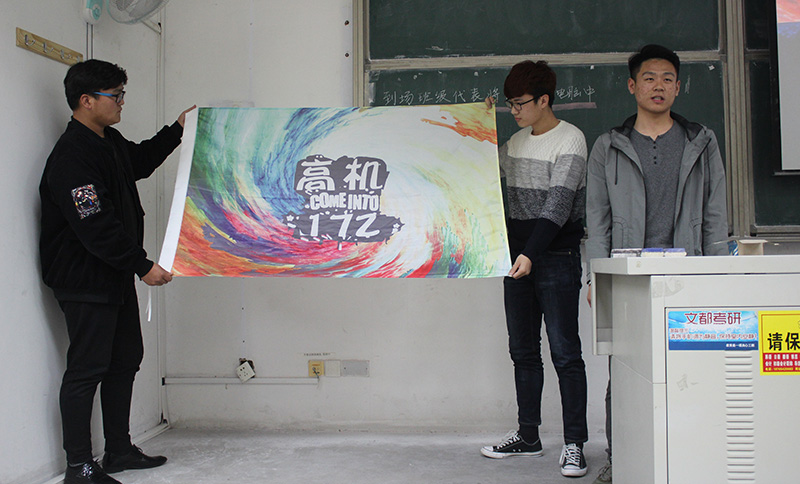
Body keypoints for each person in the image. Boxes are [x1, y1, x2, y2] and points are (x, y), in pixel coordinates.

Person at [39, 59, 195, 484]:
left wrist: (179, 129)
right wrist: (142, 265)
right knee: (86, 368)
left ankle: (119, 450)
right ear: (86, 101)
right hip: (84, 280)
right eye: (116, 95)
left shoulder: (108, 140)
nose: (122, 102)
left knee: (125, 359)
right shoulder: (72, 156)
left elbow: (139, 161)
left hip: (113, 275)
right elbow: (95, 226)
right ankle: (78, 465)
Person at [585, 44, 728, 484]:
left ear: (678, 87)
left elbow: (715, 212)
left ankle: (690, 457)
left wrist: (717, 272)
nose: (658, 86)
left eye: (667, 78)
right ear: (632, 86)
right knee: (626, 373)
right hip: (629, 280)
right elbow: (597, 219)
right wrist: (596, 277)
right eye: (649, 78)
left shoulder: (701, 142)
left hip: (687, 276)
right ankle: (621, 459)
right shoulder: (609, 146)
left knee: (693, 369)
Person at [481, 60, 589, 478]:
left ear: (544, 100)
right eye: (509, 103)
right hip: (517, 260)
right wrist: (480, 123)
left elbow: (558, 206)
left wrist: (530, 253)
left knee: (565, 353)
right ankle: (528, 436)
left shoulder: (571, 139)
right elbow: (480, 169)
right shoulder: (514, 143)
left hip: (555, 259)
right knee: (523, 352)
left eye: (519, 103)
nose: (514, 110)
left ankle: (575, 444)